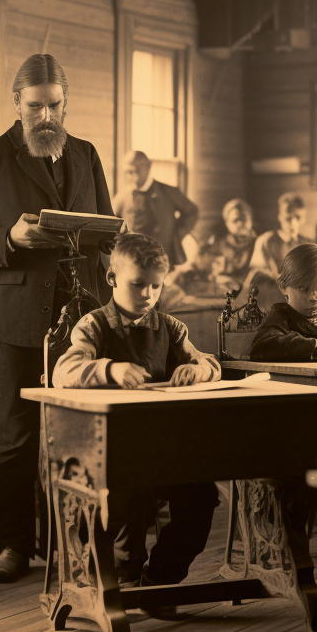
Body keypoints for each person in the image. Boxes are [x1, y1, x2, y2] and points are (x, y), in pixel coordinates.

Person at [0, 53, 114, 584]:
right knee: (15, 437)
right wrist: (9, 239)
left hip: (85, 320)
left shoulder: (85, 154)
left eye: (54, 105)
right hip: (17, 319)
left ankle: (78, 544)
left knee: (85, 435)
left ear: (65, 102)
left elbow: (107, 230)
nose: (45, 117)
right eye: (35, 106)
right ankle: (12, 547)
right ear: (16, 103)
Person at [53, 233, 219, 590]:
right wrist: (109, 369)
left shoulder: (171, 327)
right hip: (108, 449)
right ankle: (117, 570)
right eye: (137, 284)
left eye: (156, 286)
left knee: (201, 497)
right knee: (125, 500)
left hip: (163, 446)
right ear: (112, 279)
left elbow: (209, 362)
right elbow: (62, 372)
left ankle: (159, 577)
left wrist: (199, 370)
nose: (147, 295)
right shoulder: (94, 325)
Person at [112, 150, 198, 266]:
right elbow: (111, 222)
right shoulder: (122, 198)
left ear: (148, 166)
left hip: (163, 257)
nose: (134, 175)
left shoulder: (168, 191)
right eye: (129, 172)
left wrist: (176, 234)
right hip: (134, 260)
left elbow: (191, 211)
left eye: (138, 169)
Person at [250, 193, 310, 280]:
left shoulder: (308, 244)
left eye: (298, 217)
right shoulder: (265, 241)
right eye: (288, 218)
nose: (293, 223)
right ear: (280, 217)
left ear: (304, 219)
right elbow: (257, 273)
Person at [204, 198, 256, 287]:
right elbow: (209, 274)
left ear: (251, 220)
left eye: (244, 219)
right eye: (235, 220)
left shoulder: (261, 244)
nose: (240, 224)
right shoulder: (219, 245)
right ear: (227, 223)